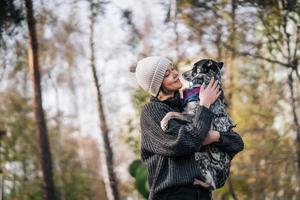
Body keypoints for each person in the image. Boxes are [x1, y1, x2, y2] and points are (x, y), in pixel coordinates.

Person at [130, 56, 244, 200]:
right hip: (172, 194)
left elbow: (237, 143)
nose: (175, 73)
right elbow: (186, 142)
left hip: (201, 193)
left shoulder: (187, 104)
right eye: (167, 74)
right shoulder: (152, 111)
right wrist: (204, 105)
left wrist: (215, 136)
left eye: (173, 69)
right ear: (157, 85)